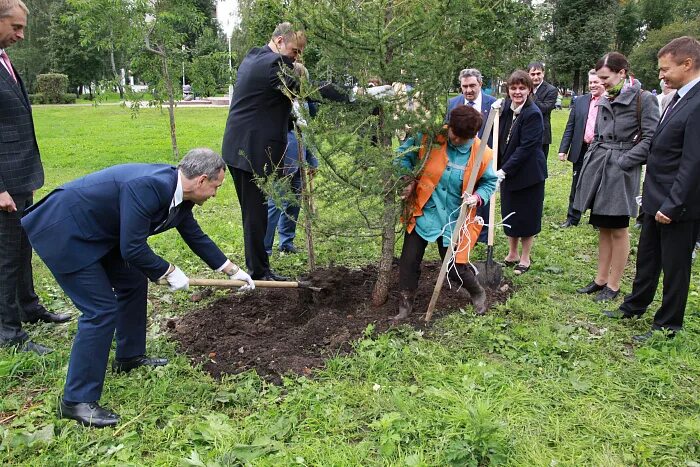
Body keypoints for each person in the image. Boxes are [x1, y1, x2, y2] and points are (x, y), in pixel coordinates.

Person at [21, 149, 255, 428]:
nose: (215, 194)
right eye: (216, 187)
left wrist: (232, 271)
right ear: (202, 180)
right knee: (100, 310)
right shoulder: (150, 186)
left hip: (99, 233)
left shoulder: (180, 196)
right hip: (64, 231)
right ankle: (76, 401)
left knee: (132, 281)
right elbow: (132, 247)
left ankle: (129, 357)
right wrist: (168, 271)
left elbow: (194, 234)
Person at [604, 37, 700, 341]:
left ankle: (668, 325)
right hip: (654, 197)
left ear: (687, 64)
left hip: (678, 205)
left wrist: (673, 205)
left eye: (665, 69)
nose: (661, 75)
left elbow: (693, 161)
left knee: (675, 267)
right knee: (648, 257)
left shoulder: (698, 102)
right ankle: (635, 304)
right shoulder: (681, 97)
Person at [0, 0, 69, 356]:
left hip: (21, 175)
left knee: (23, 249)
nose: (21, 35)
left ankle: (28, 307)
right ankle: (8, 333)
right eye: (16, 27)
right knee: (6, 258)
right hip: (4, 185)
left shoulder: (4, 60)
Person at [221, 23, 306, 282]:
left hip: (243, 148)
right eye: (294, 50)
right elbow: (306, 92)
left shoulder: (255, 56)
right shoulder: (274, 64)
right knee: (255, 215)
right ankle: (259, 272)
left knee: (255, 213)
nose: (296, 57)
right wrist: (350, 98)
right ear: (279, 41)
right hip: (248, 152)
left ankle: (260, 268)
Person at [395, 105, 498, 318]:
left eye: (462, 138)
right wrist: (407, 177)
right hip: (423, 211)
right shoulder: (428, 137)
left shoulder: (482, 154)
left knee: (454, 267)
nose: (456, 140)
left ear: (472, 135)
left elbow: (489, 183)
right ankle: (405, 304)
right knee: (409, 261)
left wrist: (477, 197)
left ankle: (477, 292)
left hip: (454, 218)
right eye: (454, 133)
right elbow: (403, 155)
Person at [573, 52, 659, 302]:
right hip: (600, 166)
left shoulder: (644, 99)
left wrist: (625, 161)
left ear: (622, 73)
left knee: (619, 229)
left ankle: (614, 284)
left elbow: (651, 138)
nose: (601, 82)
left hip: (621, 171)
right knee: (603, 226)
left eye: (605, 77)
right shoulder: (606, 96)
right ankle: (600, 279)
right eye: (598, 78)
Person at [497, 70, 547, 275]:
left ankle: (525, 257)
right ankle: (512, 253)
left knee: (527, 215)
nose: (517, 92)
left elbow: (526, 148)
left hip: (528, 174)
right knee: (510, 212)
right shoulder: (507, 110)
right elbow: (500, 139)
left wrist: (504, 170)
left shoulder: (532, 113)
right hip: (508, 171)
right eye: (513, 88)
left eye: (522, 88)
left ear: (529, 89)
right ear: (508, 90)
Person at [446, 68, 497, 243]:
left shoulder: (493, 104)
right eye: (464, 86)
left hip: (484, 158)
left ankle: (483, 234)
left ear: (480, 84)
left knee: (482, 193)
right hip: (460, 159)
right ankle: (459, 229)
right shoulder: (453, 103)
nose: (468, 90)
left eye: (472, 85)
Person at [557, 69, 605, 228]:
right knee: (576, 184)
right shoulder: (580, 101)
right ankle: (572, 218)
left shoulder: (610, 101)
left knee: (598, 185)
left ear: (603, 82)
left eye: (596, 82)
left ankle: (597, 220)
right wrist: (563, 149)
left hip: (600, 150)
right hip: (581, 149)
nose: (592, 85)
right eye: (590, 82)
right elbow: (570, 126)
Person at [264, 128, 318, 255]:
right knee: (274, 206)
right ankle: (265, 248)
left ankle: (286, 243)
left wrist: (312, 161)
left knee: (294, 204)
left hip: (300, 164)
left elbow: (307, 131)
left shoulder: (303, 107)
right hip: (281, 164)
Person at [528, 61, 558, 158]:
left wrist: (530, 94)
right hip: (524, 132)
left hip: (542, 135)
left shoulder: (551, 90)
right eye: (532, 74)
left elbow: (545, 108)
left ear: (543, 73)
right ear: (528, 74)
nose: (536, 77)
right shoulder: (523, 88)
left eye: (538, 74)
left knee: (540, 166)